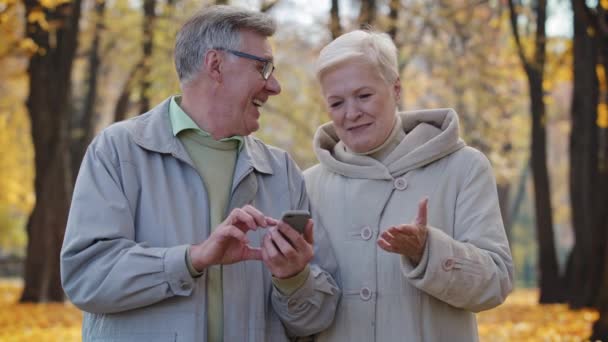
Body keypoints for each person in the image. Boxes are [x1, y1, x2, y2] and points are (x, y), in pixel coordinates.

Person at [60, 5, 339, 341]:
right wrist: (192, 260)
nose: (275, 86)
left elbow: (316, 319)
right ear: (216, 65)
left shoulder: (281, 171)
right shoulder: (119, 151)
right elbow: (86, 277)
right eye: (263, 68)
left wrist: (293, 278)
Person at [304, 29, 513, 341]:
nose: (351, 113)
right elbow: (296, 315)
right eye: (336, 103)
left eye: (364, 96)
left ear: (396, 88)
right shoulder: (307, 185)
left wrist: (428, 251)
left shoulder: (462, 167)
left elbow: (496, 283)